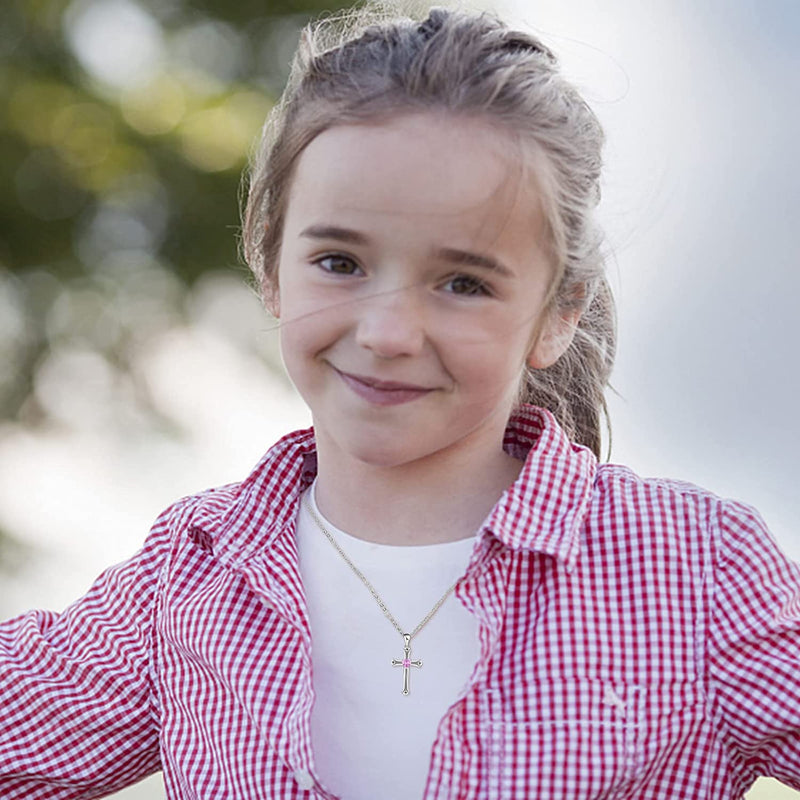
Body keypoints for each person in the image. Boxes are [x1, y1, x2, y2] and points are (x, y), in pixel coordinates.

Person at [1, 4, 799, 799]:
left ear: (558, 313)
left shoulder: (699, 568)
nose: (388, 333)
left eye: (464, 283)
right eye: (341, 262)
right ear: (271, 263)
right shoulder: (188, 575)